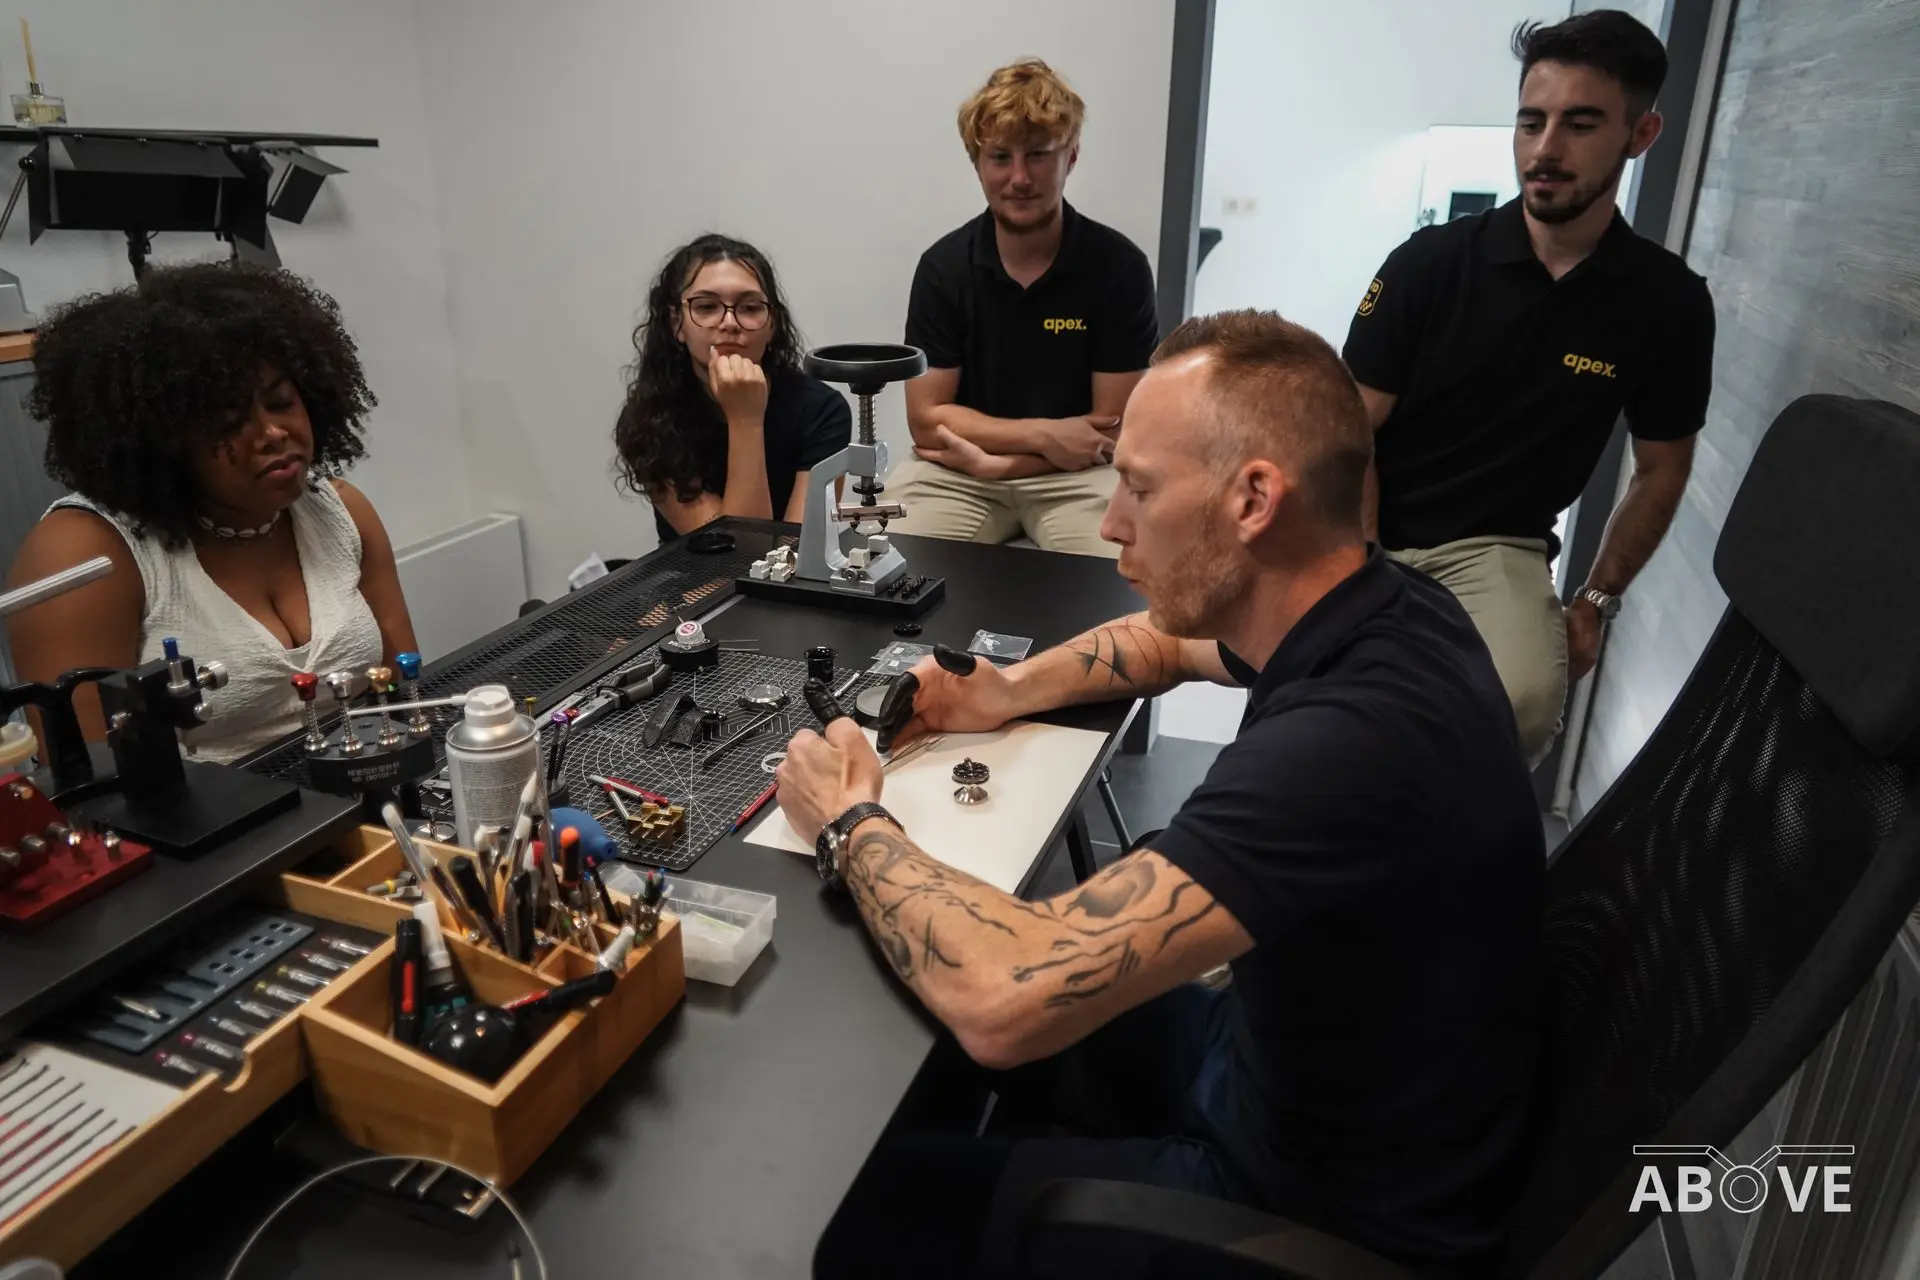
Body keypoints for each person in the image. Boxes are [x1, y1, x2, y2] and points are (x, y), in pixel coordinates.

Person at [783, 311, 1544, 1278]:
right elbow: (1168, 644)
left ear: (1254, 500)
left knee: (845, 1214)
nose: (1111, 522)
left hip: (1313, 1214)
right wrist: (1005, 690)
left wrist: (849, 821)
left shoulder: (1352, 744)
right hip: (1282, 1073)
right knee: (928, 1064)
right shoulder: (1380, 607)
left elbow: (1005, 997)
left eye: (1140, 489)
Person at [1343, 10, 1714, 763]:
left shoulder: (1668, 302)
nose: (1545, 149)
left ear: (1641, 134)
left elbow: (1662, 468)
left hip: (1497, 549)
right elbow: (1347, 432)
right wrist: (1363, 570)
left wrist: (1597, 600)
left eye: (1580, 124)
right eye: (1530, 122)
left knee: (1520, 705)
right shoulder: (1428, 263)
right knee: (1323, 707)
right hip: (1362, 526)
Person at [3, 263, 417, 764]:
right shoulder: (85, 555)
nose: (272, 433)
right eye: (227, 420)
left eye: (281, 401)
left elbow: (406, 695)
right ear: (158, 439)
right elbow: (90, 779)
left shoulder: (341, 511)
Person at [890, 58, 1159, 557]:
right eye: (1000, 157)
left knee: (1127, 577)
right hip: (956, 474)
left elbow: (1110, 430)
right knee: (886, 568)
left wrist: (1001, 465)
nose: (1019, 178)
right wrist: (1045, 435)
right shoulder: (943, 268)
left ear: (1070, 157)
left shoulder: (1118, 268)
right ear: (977, 163)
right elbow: (926, 421)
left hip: (1079, 476)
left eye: (1038, 155)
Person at [613, 234, 851, 545]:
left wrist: (747, 417)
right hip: (692, 573)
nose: (729, 322)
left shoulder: (823, 410)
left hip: (791, 574)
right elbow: (736, 553)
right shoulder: (650, 419)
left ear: (772, 324)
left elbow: (797, 553)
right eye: (707, 306)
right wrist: (745, 420)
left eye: (750, 307)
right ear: (676, 324)